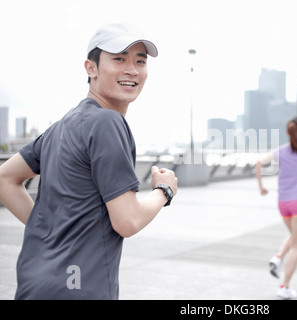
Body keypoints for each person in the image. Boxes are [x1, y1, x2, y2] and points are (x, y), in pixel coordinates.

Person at [0, 23, 178, 300]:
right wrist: (164, 190)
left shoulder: (61, 126)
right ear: (91, 68)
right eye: (119, 59)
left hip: (35, 280)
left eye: (140, 61)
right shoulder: (108, 122)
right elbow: (127, 221)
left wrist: (50, 232)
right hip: (79, 285)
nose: (132, 69)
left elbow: (5, 178)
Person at [255, 116, 297, 299]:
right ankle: (284, 286)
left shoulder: (279, 151)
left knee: (293, 235)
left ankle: (278, 257)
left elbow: (258, 163)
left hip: (282, 203)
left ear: (287, 132)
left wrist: (261, 187)